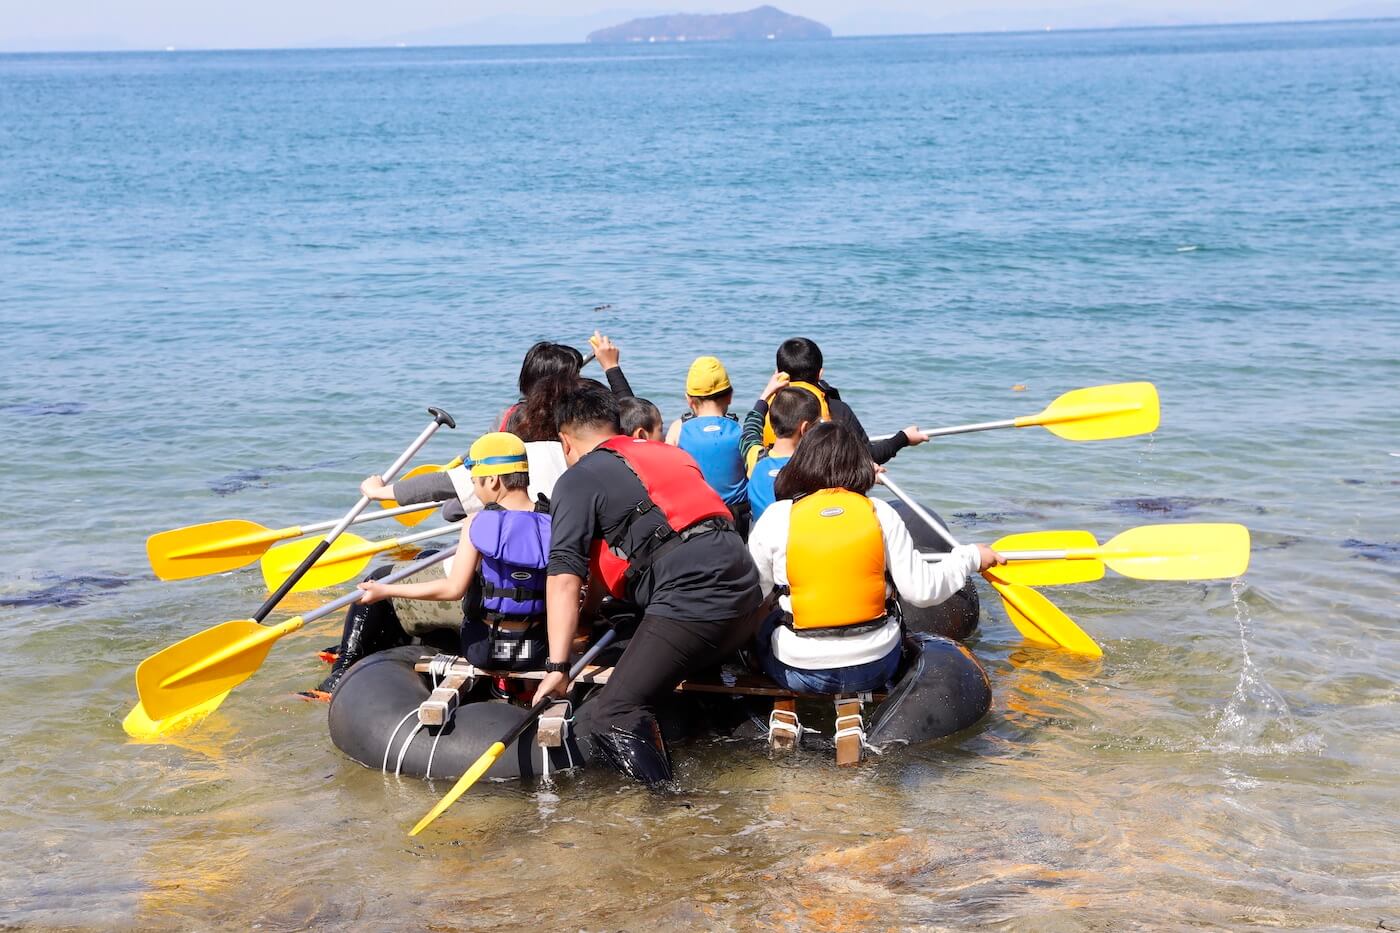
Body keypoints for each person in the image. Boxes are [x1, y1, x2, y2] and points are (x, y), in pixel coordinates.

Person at [536, 380, 764, 785]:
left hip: (696, 603)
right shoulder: (668, 454)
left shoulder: (578, 478)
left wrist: (558, 667)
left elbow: (564, 575)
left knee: (614, 713)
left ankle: (667, 806)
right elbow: (609, 568)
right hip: (746, 596)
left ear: (564, 441)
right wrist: (590, 617)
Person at [746, 421, 1004, 695]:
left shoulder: (777, 517)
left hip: (800, 673)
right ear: (861, 465)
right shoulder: (880, 512)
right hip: (876, 666)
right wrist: (970, 556)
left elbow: (751, 597)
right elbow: (923, 591)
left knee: (765, 617)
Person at [364, 334, 634, 518]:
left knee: (452, 510)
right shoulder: (583, 422)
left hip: (516, 516)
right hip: (567, 519)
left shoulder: (510, 422)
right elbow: (633, 420)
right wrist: (612, 367)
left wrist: (379, 492)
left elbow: (445, 486)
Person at [355, 432, 552, 671]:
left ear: (492, 481)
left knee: (443, 628)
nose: (474, 490)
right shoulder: (554, 520)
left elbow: (453, 589)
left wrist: (384, 589)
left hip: (484, 650)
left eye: (473, 482)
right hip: (537, 649)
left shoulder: (476, 522)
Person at [769, 337, 928, 465]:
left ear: (778, 374)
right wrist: (903, 438)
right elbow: (867, 458)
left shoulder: (766, 409)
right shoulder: (836, 409)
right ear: (820, 374)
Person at [665, 356, 751, 536]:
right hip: (736, 519)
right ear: (730, 396)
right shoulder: (739, 430)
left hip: (695, 517)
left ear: (689, 399)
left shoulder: (678, 429)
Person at [740, 379, 822, 522]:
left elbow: (749, 430)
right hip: (796, 541)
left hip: (761, 541)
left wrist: (765, 396)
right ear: (805, 429)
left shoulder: (756, 458)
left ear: (771, 423)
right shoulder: (815, 468)